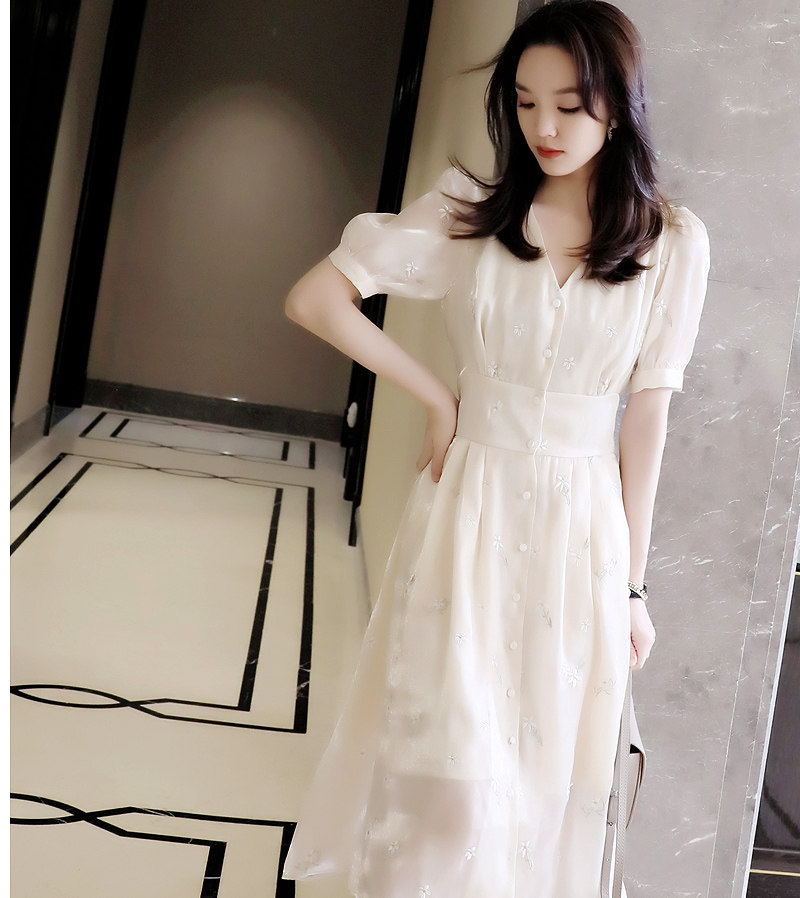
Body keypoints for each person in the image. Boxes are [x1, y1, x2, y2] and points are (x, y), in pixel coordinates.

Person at [281, 1, 710, 896]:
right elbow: (316, 299)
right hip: (468, 517)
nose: (544, 127)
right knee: (442, 775)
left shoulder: (672, 243)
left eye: (570, 105)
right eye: (525, 103)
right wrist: (437, 395)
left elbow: (646, 420)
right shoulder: (469, 215)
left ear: (619, 106)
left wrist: (632, 589)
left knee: (542, 791)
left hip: (581, 538)